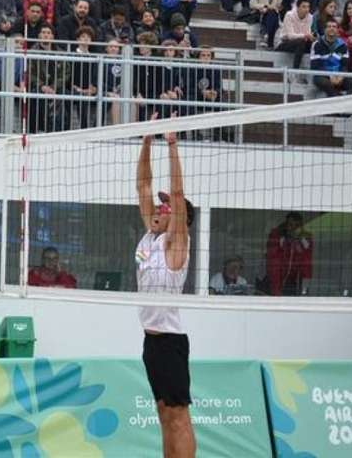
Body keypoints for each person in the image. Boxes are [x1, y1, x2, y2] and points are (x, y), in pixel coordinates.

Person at [136, 117, 196, 458]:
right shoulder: (151, 235)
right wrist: (147, 141)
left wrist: (172, 146)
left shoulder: (176, 243)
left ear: (179, 217)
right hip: (151, 340)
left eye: (166, 207)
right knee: (163, 415)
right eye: (159, 206)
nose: (159, 207)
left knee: (178, 416)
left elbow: (175, 193)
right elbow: (143, 185)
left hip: (171, 341)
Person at [265, 212, 313, 296]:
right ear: (286, 225)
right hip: (275, 280)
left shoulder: (303, 240)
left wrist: (305, 289)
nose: (293, 229)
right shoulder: (278, 237)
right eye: (291, 225)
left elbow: (306, 265)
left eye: (297, 226)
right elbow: (274, 263)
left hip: (292, 281)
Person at [310, 19, 350, 97]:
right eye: (329, 26)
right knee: (325, 83)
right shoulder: (317, 44)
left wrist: (340, 77)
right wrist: (329, 76)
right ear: (324, 30)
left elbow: (344, 65)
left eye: (334, 27)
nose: (332, 28)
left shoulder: (343, 45)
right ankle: (338, 100)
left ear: (338, 30)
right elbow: (315, 66)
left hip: (338, 75)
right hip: (322, 75)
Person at [275, 0, 315, 70]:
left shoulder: (310, 17)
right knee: (301, 42)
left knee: (314, 44)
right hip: (285, 43)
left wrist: (310, 37)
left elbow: (307, 33)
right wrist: (305, 35)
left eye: (308, 7)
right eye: (304, 7)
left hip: (301, 44)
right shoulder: (289, 15)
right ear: (297, 7)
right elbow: (290, 36)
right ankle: (295, 70)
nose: (307, 9)